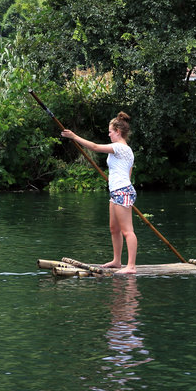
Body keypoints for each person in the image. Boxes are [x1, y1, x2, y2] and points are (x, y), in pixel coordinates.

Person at [61, 112, 138, 274]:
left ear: (118, 131)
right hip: (117, 191)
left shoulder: (120, 148)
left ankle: (131, 266)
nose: (108, 134)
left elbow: (95, 147)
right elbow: (127, 173)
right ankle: (117, 261)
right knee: (113, 228)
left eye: (110, 131)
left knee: (127, 231)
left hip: (122, 191)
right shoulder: (124, 151)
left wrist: (74, 136)